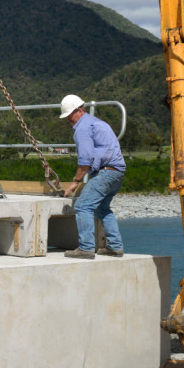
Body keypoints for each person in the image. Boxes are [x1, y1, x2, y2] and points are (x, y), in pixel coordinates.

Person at [59, 94, 126, 259]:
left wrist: (75, 182)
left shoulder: (82, 128)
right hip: (117, 171)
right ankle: (115, 247)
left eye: (69, 115)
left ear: (79, 111)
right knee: (102, 208)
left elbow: (85, 161)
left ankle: (86, 248)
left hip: (105, 172)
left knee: (83, 206)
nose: (68, 119)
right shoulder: (98, 123)